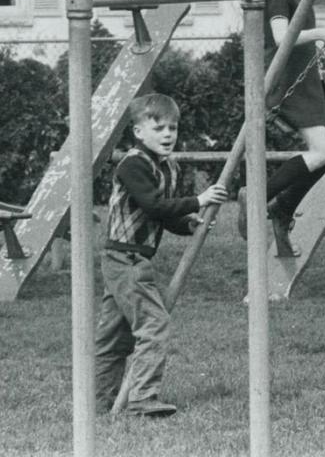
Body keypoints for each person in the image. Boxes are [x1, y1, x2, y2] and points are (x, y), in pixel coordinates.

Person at [96, 92, 230, 416]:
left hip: (133, 258)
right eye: (158, 128)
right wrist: (198, 200)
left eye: (173, 128)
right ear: (138, 132)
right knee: (154, 325)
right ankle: (141, 400)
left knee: (113, 339)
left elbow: (162, 215)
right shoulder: (132, 165)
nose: (168, 135)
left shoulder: (168, 167)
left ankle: (99, 404)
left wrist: (188, 224)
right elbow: (153, 204)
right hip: (123, 259)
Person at [237, 0, 325, 257]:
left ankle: (283, 209)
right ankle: (256, 195)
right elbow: (282, 37)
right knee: (323, 153)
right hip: (290, 84)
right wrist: (322, 32)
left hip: (308, 82)